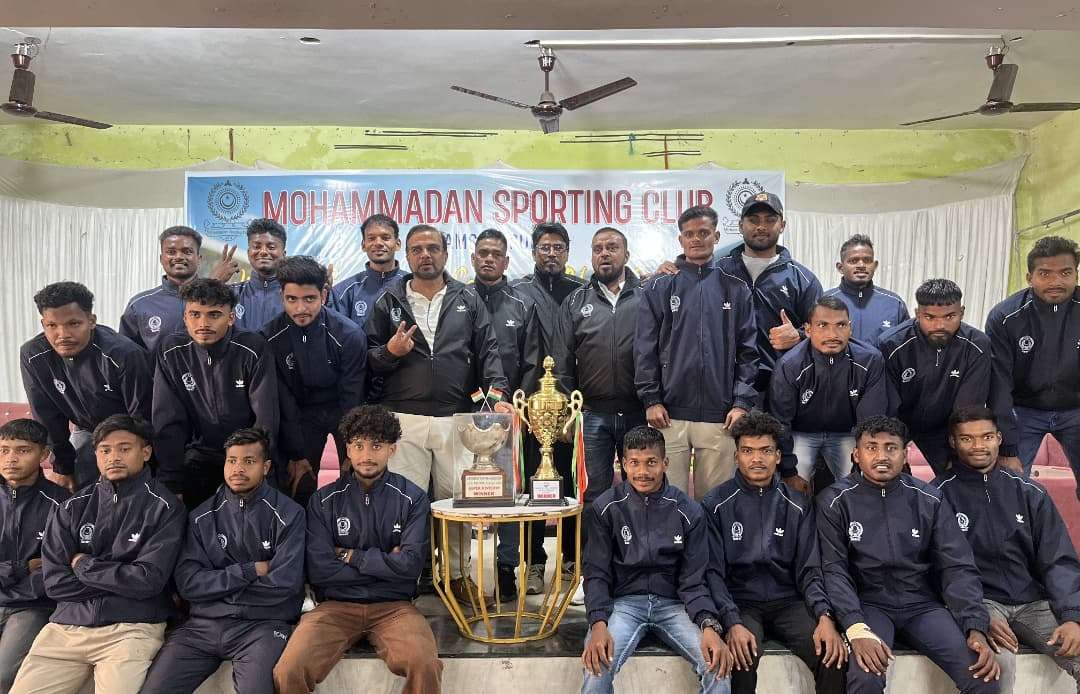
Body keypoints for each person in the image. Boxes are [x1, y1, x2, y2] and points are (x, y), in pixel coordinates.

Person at [366, 224, 510, 605]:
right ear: (407, 254)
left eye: (432, 247)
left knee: (456, 501)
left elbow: (489, 354)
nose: (425, 255)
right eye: (417, 249)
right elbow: (368, 359)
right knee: (403, 502)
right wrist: (390, 353)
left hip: (455, 419)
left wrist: (497, 398)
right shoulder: (388, 301)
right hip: (403, 420)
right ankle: (404, 578)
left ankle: (459, 576)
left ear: (446, 253)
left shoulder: (468, 298)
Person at [816, 415, 1000, 694]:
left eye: (891, 448)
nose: (882, 456)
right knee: (865, 677)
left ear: (905, 455)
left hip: (922, 605)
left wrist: (975, 626)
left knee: (981, 674)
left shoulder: (929, 498)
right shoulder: (834, 501)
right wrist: (855, 626)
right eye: (872, 447)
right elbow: (834, 570)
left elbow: (957, 566)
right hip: (868, 606)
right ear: (856, 454)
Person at [273, 405, 441, 694]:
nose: (367, 455)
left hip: (395, 607)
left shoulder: (412, 498)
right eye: (359, 445)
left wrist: (348, 555)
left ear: (392, 449)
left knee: (425, 664)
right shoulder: (323, 501)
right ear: (348, 450)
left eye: (376, 445)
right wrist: (386, 563)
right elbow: (319, 570)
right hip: (334, 607)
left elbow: (411, 566)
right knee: (288, 670)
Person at [11, 415, 184, 694]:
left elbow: (148, 581)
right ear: (96, 456)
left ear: (146, 452)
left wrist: (84, 565)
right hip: (67, 627)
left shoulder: (165, 507)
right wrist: (121, 578)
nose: (113, 457)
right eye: (105, 450)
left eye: (124, 448)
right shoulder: (72, 506)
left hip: (132, 628)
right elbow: (54, 583)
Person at [140, 427, 305, 694]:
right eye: (232, 460)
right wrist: (248, 571)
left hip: (261, 627)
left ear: (265, 467)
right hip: (202, 628)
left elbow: (284, 583)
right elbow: (189, 584)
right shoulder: (201, 516)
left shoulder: (289, 514)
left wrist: (216, 589)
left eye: (248, 461)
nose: (238, 469)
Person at [935, 406, 1080, 692]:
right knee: (993, 666)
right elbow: (944, 568)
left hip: (1033, 602)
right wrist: (975, 616)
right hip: (982, 602)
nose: (978, 446)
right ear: (953, 442)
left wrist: (1072, 616)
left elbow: (1058, 560)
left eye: (987, 437)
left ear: (999, 439)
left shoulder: (1030, 491)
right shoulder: (938, 496)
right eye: (967, 439)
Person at [702, 411, 845, 694]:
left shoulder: (799, 504)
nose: (757, 459)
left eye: (765, 451)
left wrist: (825, 616)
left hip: (789, 601)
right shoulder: (715, 503)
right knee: (741, 656)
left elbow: (810, 569)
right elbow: (713, 573)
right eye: (748, 451)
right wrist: (731, 621)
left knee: (832, 654)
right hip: (740, 602)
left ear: (778, 456)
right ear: (736, 456)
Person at [581, 425, 732, 694]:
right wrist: (598, 624)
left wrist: (708, 624)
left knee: (718, 667)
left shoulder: (689, 511)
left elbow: (694, 579)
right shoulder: (605, 508)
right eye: (634, 463)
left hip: (675, 604)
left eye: (651, 462)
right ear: (623, 464)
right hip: (624, 604)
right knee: (596, 668)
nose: (643, 472)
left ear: (665, 463)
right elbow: (596, 573)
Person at [635, 205, 759, 499]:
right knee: (668, 501)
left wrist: (741, 403)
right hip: (668, 414)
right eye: (689, 234)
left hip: (721, 416)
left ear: (716, 236)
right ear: (680, 240)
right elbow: (644, 348)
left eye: (703, 233)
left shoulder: (736, 288)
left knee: (715, 503)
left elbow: (748, 352)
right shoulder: (660, 286)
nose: (696, 239)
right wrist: (651, 399)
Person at [555, 227, 644, 604]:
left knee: (642, 491)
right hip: (592, 414)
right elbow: (562, 362)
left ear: (626, 254)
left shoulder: (647, 296)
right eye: (598, 248)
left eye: (612, 247)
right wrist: (568, 408)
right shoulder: (576, 301)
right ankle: (593, 573)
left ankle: (638, 570)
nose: (604, 254)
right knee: (594, 497)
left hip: (640, 413)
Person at [153, 278, 281, 507]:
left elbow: (266, 418)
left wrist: (252, 463)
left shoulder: (253, 348)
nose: (203, 323)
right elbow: (168, 421)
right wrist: (172, 481)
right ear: (185, 317)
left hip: (246, 455)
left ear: (231, 318)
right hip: (198, 456)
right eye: (195, 314)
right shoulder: (171, 350)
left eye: (214, 315)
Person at [467, 228, 542, 601]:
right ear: (472, 258)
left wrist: (517, 406)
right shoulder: (458, 299)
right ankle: (460, 572)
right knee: (464, 494)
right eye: (482, 253)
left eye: (495, 254)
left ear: (506, 260)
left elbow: (532, 363)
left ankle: (506, 567)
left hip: (507, 417)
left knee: (510, 496)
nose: (488, 259)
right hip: (463, 418)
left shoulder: (522, 304)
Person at [20, 281, 151, 491]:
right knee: (75, 489)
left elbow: (142, 418)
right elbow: (46, 415)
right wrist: (63, 467)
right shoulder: (33, 355)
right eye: (52, 326)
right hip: (85, 429)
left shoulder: (124, 354)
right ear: (43, 324)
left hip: (129, 431)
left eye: (73, 324)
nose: (63, 334)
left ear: (91, 321)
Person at [511, 222, 585, 593]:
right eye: (544, 247)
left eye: (558, 247)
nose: (551, 253)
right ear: (534, 252)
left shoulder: (581, 292)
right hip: (531, 410)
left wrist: (574, 408)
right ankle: (534, 563)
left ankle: (571, 562)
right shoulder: (518, 292)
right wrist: (520, 407)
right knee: (532, 485)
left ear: (567, 252)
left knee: (570, 484)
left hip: (570, 408)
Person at [263, 256, 367, 508]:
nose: (300, 308)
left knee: (354, 482)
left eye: (309, 299)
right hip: (297, 414)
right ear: (281, 296)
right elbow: (281, 398)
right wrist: (296, 452)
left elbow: (352, 396)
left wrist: (352, 446)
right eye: (292, 299)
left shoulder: (349, 335)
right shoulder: (268, 337)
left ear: (324, 294)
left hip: (341, 409)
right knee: (298, 484)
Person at [879, 278, 1006, 474]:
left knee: (961, 477)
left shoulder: (977, 345)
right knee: (891, 476)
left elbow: (967, 408)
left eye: (950, 316)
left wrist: (955, 451)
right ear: (917, 314)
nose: (940, 325)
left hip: (945, 428)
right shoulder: (891, 344)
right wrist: (895, 448)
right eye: (929, 317)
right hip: (900, 423)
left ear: (962, 312)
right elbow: (888, 406)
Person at [985, 235, 1080, 481]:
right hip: (1023, 412)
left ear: (1076, 275)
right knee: (1008, 483)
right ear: (1030, 278)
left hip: (1076, 411)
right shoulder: (1004, 318)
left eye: (1065, 273)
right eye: (1045, 273)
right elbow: (999, 385)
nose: (1056, 281)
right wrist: (1007, 447)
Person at [769, 296, 887, 492]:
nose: (832, 334)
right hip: (802, 433)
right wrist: (789, 470)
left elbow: (871, 422)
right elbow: (781, 422)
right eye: (822, 325)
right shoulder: (790, 365)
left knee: (861, 486)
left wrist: (863, 463)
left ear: (850, 328)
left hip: (847, 434)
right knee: (790, 488)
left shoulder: (870, 360)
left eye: (841, 325)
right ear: (808, 330)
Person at [717, 192, 823, 400]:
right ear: (740, 225)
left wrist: (799, 335)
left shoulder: (802, 279)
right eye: (753, 220)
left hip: (779, 387)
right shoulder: (717, 271)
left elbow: (824, 329)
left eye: (770, 220)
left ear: (782, 225)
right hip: (722, 385)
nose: (761, 226)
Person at [0, 419, 70, 691]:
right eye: (4, 450)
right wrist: (20, 568)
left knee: (3, 675)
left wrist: (23, 584)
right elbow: (32, 565)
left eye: (23, 450)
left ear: (44, 455)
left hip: (31, 605)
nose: (11, 459)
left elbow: (56, 567)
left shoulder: (62, 503)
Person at [120, 225, 238, 353]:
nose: (179, 257)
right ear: (161, 259)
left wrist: (212, 285)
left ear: (199, 258)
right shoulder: (140, 305)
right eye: (171, 252)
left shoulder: (225, 299)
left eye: (187, 252)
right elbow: (127, 355)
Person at [822, 235, 909, 349]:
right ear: (840, 267)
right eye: (853, 261)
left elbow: (906, 348)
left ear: (875, 265)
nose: (861, 265)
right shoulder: (823, 302)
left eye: (867, 260)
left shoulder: (894, 304)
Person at [331, 214, 406, 326]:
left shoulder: (412, 285)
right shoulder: (343, 292)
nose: (378, 243)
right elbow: (335, 332)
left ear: (397, 244)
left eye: (385, 238)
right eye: (371, 238)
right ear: (363, 245)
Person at [230, 218, 288, 332]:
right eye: (256, 247)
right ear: (248, 253)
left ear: (284, 254)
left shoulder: (295, 296)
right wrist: (215, 281)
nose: (263, 252)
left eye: (271, 247)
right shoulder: (230, 293)